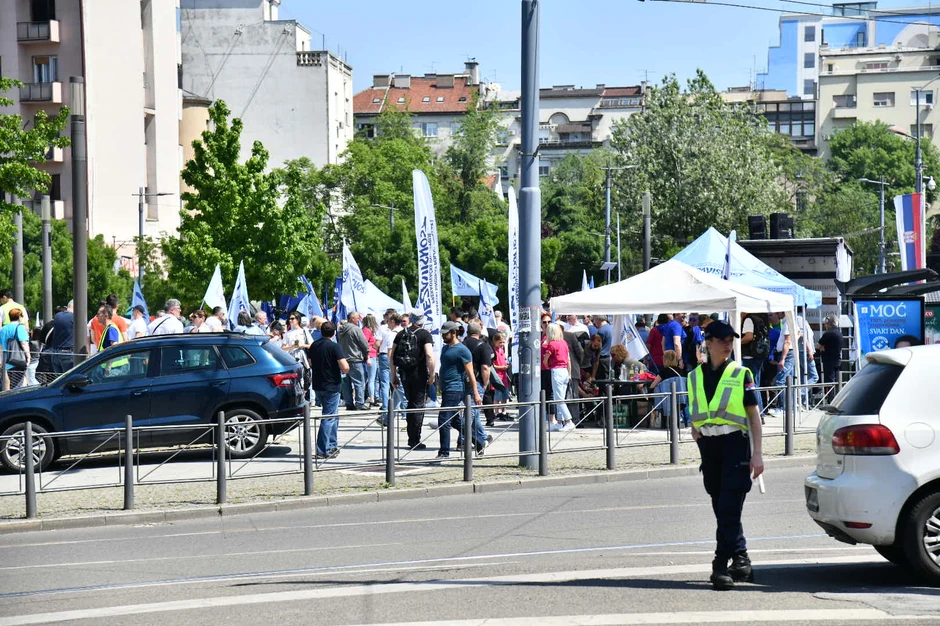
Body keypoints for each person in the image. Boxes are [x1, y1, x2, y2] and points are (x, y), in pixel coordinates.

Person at [688, 320, 763, 591]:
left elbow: (754, 417)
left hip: (735, 444)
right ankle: (741, 559)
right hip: (709, 448)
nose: (728, 345)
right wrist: (694, 429)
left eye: (731, 340)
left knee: (729, 507)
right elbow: (696, 408)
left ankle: (720, 566)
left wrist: (758, 454)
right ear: (708, 342)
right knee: (721, 507)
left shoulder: (741, 373)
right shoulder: (694, 375)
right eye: (722, 340)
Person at [436, 321, 483, 458]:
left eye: (446, 333)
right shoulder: (445, 348)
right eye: (443, 334)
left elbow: (470, 373)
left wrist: (476, 393)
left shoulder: (462, 350)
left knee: (443, 420)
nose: (443, 336)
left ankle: (444, 452)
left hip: (455, 388)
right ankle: (479, 441)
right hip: (446, 387)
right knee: (456, 421)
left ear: (454, 332)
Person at [390, 309, 435, 450]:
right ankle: (415, 439)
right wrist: (432, 374)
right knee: (417, 405)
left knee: (409, 404)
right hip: (419, 374)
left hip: (404, 374)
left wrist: (393, 375)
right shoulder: (424, 334)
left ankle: (411, 437)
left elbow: (392, 356)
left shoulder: (400, 333)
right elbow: (429, 355)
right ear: (422, 321)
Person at [307, 321, 349, 459]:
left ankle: (332, 445)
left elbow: (311, 363)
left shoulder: (314, 345)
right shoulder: (334, 346)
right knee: (328, 417)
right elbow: (345, 366)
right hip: (332, 384)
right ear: (334, 332)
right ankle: (322, 449)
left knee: (333, 416)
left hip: (318, 384)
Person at [462, 322, 495, 451]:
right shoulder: (484, 346)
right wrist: (485, 383)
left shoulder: (462, 344)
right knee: (471, 414)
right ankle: (479, 440)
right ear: (479, 332)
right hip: (477, 382)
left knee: (472, 413)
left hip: (463, 381)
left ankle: (482, 437)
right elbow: (485, 368)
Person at [543, 322, 574, 431]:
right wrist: (569, 373)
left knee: (558, 398)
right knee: (560, 397)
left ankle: (569, 421)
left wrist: (547, 364)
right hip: (565, 370)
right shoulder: (564, 343)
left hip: (556, 370)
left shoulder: (552, 344)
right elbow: (568, 359)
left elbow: (545, 359)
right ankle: (560, 422)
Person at [337, 311, 369, 411]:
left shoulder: (340, 330)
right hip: (355, 359)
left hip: (343, 360)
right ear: (352, 319)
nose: (358, 320)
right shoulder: (356, 329)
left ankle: (349, 403)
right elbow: (364, 343)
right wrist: (366, 353)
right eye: (357, 318)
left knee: (346, 383)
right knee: (359, 382)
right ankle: (360, 403)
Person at [1, 308, 30, 388]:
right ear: (19, 317)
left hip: (6, 360)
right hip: (18, 360)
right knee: (22, 382)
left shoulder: (3, 329)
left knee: (7, 383)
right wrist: (28, 357)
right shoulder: (20, 328)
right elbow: (24, 343)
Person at [50, 300, 76, 373]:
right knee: (69, 379)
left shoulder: (58, 316)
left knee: (60, 381)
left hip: (55, 353)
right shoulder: (74, 317)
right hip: (67, 353)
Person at [817, 314, 842, 384]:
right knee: (837, 380)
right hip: (837, 360)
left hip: (828, 361)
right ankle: (837, 393)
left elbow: (818, 346)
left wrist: (822, 347)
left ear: (829, 324)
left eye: (825, 324)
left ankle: (831, 395)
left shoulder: (828, 334)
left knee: (829, 381)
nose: (825, 326)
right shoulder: (839, 333)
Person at [492, 332, 512, 419]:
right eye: (500, 342)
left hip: (504, 375)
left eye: (503, 342)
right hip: (498, 375)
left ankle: (504, 411)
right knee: (497, 395)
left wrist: (506, 365)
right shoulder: (494, 352)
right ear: (495, 342)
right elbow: (492, 365)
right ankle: (496, 411)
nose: (502, 344)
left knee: (505, 394)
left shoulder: (502, 350)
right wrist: (502, 367)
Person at [362, 314, 380, 407]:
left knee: (372, 378)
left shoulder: (369, 330)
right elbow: (365, 344)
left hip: (373, 355)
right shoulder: (367, 330)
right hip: (370, 356)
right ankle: (372, 398)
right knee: (371, 379)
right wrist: (368, 357)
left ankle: (372, 397)